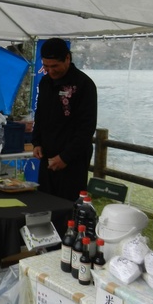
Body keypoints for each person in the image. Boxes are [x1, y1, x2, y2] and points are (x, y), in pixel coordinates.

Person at [31, 38, 98, 201]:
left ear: (67, 58)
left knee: (67, 206)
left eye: (54, 66)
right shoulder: (45, 82)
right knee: (45, 202)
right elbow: (40, 114)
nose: (50, 71)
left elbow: (87, 127)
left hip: (72, 159)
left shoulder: (84, 85)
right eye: (46, 66)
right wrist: (37, 142)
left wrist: (66, 157)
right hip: (47, 155)